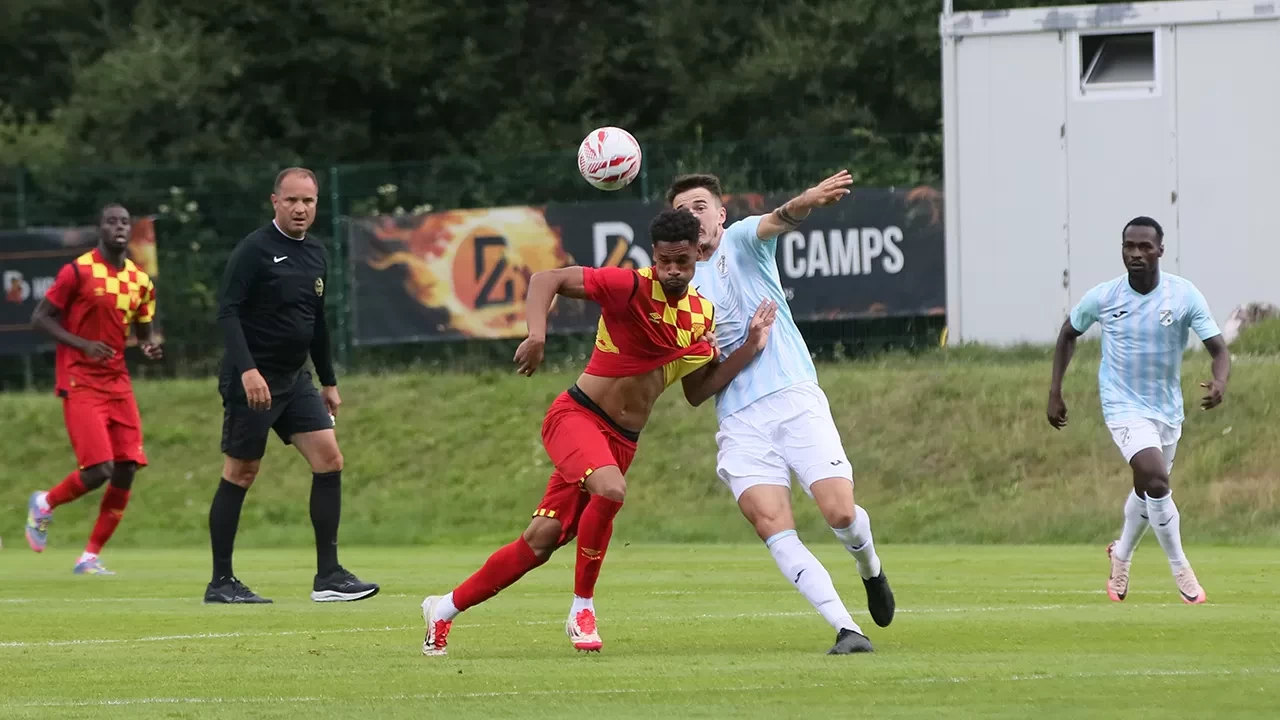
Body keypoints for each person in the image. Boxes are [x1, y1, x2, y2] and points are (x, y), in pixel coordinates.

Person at [420, 208, 778, 656]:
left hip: (621, 443)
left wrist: (750, 346)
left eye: (681, 263)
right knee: (610, 489)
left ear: (696, 259)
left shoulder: (700, 318)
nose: (672, 270)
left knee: (540, 541)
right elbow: (545, 280)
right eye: (665, 260)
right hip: (577, 417)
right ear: (654, 255)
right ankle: (582, 608)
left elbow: (696, 391)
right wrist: (537, 335)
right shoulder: (628, 286)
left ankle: (442, 609)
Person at [671, 171, 895, 655]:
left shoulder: (743, 241)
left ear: (720, 213)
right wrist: (746, 348)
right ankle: (847, 629)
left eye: (701, 205)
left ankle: (870, 567)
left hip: (793, 398)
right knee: (772, 524)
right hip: (739, 423)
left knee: (839, 513)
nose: (694, 215)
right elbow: (694, 392)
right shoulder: (679, 294)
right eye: (684, 210)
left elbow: (780, 218)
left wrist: (809, 199)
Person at [206, 167, 378, 604]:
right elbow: (228, 312)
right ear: (275, 201)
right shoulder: (254, 250)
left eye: (309, 201)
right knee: (241, 472)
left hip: (295, 379)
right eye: (292, 200)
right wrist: (247, 372)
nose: (301, 208)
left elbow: (316, 322)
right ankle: (221, 582)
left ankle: (329, 577)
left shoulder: (316, 253)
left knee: (330, 460)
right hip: (253, 380)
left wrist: (329, 380)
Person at [1048, 216, 1229, 605]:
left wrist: (1220, 382)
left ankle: (1122, 554)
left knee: (1146, 488)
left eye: (1145, 246)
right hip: (1122, 405)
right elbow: (1068, 333)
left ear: (1160, 250)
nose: (1136, 253)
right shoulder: (1104, 296)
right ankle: (1181, 568)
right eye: (1129, 246)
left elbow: (1219, 350)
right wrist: (1055, 391)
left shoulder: (1183, 295)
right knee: (1156, 480)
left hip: (1167, 410)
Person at [24, 204, 162, 575]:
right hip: (79, 379)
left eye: (124, 222)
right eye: (111, 221)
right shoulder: (78, 270)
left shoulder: (140, 281)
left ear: (129, 231)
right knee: (99, 468)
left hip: (117, 381)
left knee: (127, 468)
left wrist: (148, 346)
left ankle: (89, 556)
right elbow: (39, 318)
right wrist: (81, 344)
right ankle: (45, 503)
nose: (118, 226)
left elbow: (143, 331)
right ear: (99, 229)